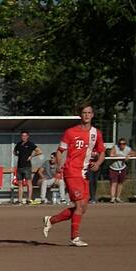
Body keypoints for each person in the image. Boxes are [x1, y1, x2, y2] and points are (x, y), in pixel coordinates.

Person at [43, 103, 105, 247]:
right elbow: (59, 151)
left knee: (83, 208)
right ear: (80, 115)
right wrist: (60, 165)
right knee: (78, 206)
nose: (87, 115)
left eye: (89, 112)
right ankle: (74, 237)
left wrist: (98, 163)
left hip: (84, 173)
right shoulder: (70, 132)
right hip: (72, 171)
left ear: (93, 115)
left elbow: (102, 152)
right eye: (84, 112)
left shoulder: (96, 133)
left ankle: (51, 220)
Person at [13, 130, 42, 204]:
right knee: (20, 183)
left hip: (27, 166)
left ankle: (28, 199)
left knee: (29, 183)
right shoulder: (19, 144)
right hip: (19, 166)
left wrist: (31, 156)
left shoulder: (30, 144)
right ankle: (20, 200)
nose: (23, 137)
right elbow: (14, 151)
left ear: (28, 136)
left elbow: (39, 151)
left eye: (25, 136)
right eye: (22, 136)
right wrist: (17, 155)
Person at [108, 138, 132, 203]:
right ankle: (112, 198)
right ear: (118, 144)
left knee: (120, 183)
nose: (122, 145)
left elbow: (134, 153)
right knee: (114, 183)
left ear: (125, 144)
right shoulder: (115, 147)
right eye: (120, 144)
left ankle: (118, 197)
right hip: (113, 168)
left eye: (123, 144)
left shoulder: (128, 148)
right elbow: (111, 154)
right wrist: (118, 155)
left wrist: (129, 155)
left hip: (122, 168)